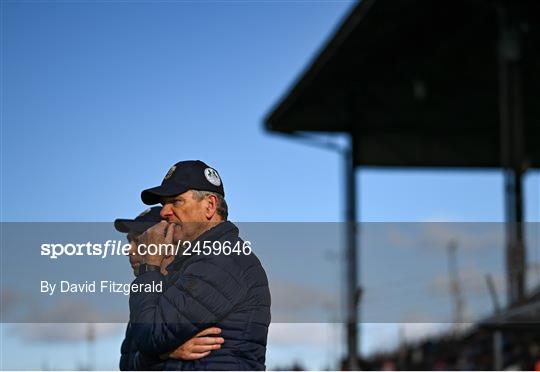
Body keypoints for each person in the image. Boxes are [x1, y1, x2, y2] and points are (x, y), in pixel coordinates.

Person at [129, 160, 271, 370]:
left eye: (176, 201)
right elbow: (135, 354)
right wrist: (164, 353)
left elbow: (149, 334)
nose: (164, 212)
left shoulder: (222, 258)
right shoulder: (196, 260)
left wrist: (149, 266)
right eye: (163, 204)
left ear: (210, 206)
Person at [115, 206, 225, 370]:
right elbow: (128, 364)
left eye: (139, 241)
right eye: (128, 241)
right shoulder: (146, 297)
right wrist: (162, 353)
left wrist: (159, 353)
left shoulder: (194, 291)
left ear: (168, 240)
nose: (128, 250)